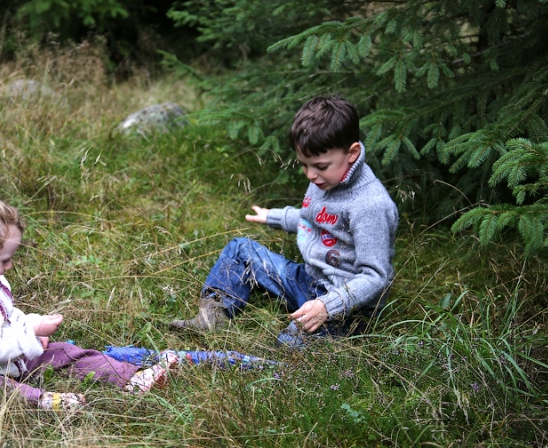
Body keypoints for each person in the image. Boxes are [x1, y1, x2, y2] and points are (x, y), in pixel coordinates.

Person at [0, 194, 177, 413]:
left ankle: (131, 379)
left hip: (6, 356)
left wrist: (30, 329)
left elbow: (5, 317)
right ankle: (43, 401)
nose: (10, 265)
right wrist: (28, 332)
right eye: (5, 259)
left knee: (63, 351)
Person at [170, 96, 399, 348]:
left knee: (289, 345)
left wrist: (327, 305)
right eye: (304, 165)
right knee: (240, 249)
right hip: (310, 282)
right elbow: (312, 217)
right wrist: (274, 217)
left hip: (346, 306)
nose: (311, 175)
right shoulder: (326, 178)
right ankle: (212, 317)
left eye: (320, 166)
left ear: (352, 153)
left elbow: (375, 276)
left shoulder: (370, 206)